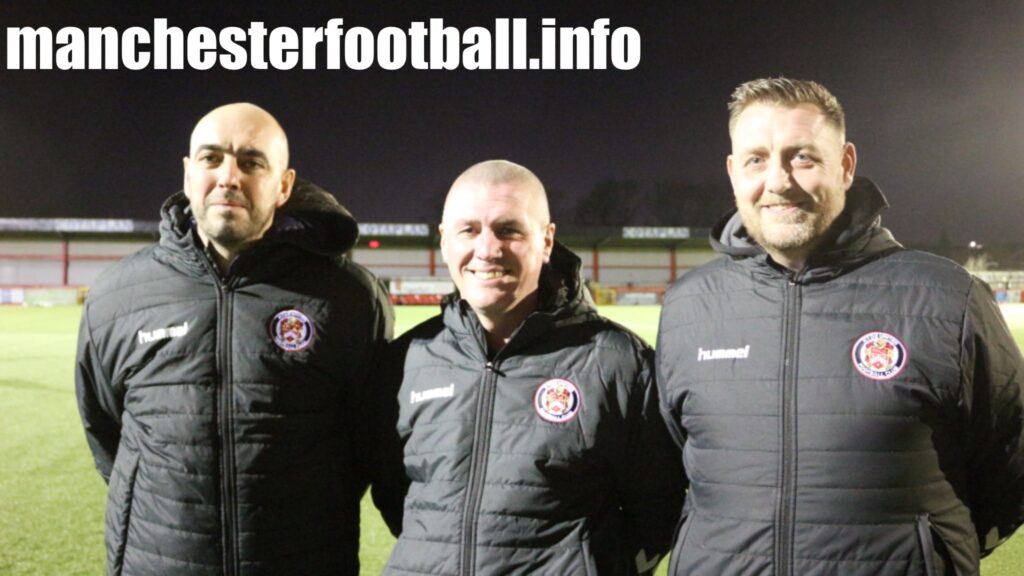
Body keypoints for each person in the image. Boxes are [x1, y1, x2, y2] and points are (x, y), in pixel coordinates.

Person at [656, 77, 1024, 575]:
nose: (779, 180)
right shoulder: (687, 307)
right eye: (756, 159)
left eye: (802, 157)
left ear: (846, 165)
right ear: (732, 172)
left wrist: (930, 552)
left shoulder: (949, 299)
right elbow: (673, 465)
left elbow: (1009, 464)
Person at [75, 103, 396, 575]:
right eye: (211, 158)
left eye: (251, 162)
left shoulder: (348, 297)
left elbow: (369, 442)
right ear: (188, 174)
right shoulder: (117, 295)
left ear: (283, 185)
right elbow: (106, 431)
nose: (229, 176)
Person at [378, 160, 684, 575]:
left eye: (509, 229)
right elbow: (395, 495)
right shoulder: (407, 359)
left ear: (546, 241)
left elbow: (659, 506)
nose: (487, 249)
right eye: (468, 229)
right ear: (444, 240)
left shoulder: (617, 361)